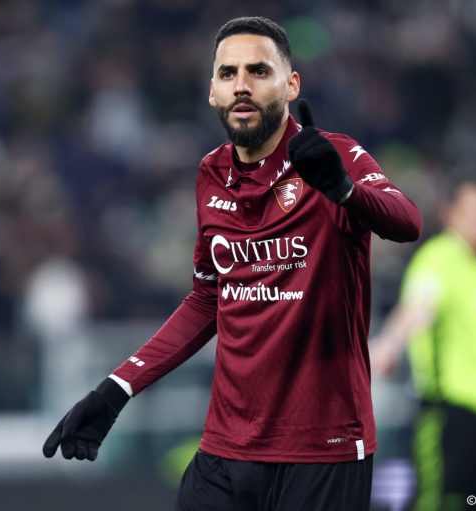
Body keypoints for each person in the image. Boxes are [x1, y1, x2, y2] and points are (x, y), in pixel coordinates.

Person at [44, 16, 422, 510]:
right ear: (212, 92)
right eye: (228, 73)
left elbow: (408, 222)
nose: (241, 85)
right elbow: (207, 300)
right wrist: (117, 389)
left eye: (258, 71)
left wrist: (344, 190)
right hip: (226, 450)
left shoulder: (336, 156)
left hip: (322, 451)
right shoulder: (210, 173)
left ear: (291, 85)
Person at [369, 181, 476, 510]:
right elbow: (419, 305)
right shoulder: (440, 257)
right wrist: (390, 343)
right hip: (445, 413)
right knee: (435, 502)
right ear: (451, 215)